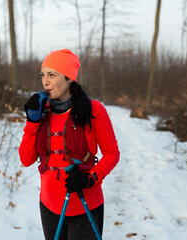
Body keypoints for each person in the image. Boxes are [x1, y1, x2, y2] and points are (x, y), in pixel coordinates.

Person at [19, 49, 120, 240]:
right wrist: (32, 121)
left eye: (52, 74)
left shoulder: (94, 110)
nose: (45, 81)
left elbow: (112, 154)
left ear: (69, 78)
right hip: (49, 206)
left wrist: (90, 178)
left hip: (84, 205)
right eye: (43, 75)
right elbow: (26, 159)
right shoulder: (42, 111)